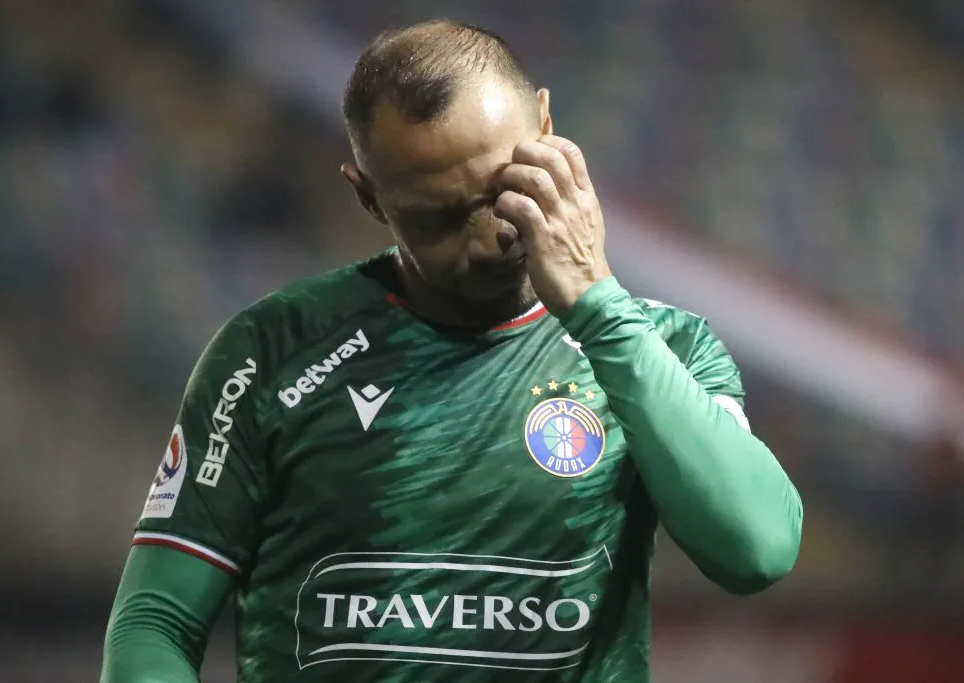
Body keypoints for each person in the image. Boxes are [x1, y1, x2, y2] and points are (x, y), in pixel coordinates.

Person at [101, 19, 802, 683]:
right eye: (440, 216)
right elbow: (155, 621)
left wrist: (599, 308)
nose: (493, 235)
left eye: (506, 189)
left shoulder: (662, 346)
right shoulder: (273, 351)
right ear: (369, 197)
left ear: (547, 129)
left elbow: (758, 549)